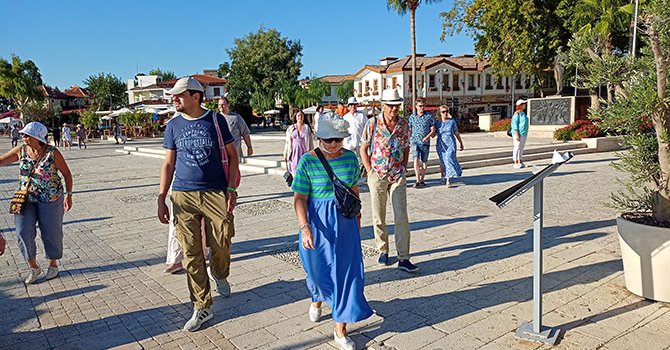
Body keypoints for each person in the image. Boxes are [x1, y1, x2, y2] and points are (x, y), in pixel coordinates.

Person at [157, 76, 239, 332]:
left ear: (196, 96)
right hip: (183, 194)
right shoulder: (173, 125)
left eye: (179, 95)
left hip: (215, 192)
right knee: (191, 254)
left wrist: (232, 188)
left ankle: (219, 272)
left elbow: (233, 155)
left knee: (222, 242)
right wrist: (161, 197)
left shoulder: (215, 120)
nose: (174, 99)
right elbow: (168, 163)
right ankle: (202, 306)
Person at [292, 112, 373, 350]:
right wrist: (305, 227)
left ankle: (340, 328)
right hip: (316, 224)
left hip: (345, 223)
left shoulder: (349, 158)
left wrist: (357, 216)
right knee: (316, 272)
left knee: (347, 274)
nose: (334, 144)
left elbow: (353, 189)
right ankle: (317, 298)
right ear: (319, 139)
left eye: (338, 139)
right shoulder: (307, 161)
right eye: (329, 140)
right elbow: (299, 198)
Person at [0, 122, 73, 284]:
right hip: (26, 199)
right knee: (22, 232)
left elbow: (67, 174)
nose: (23, 137)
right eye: (23, 134)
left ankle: (53, 263)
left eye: (27, 135)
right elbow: (1, 161)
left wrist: (69, 195)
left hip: (51, 199)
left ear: (37, 138)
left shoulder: (52, 153)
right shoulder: (21, 150)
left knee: (51, 232)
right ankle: (33, 267)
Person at [360, 89, 419, 272]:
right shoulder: (372, 123)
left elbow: (407, 147)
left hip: (397, 175)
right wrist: (370, 171)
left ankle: (404, 257)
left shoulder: (404, 124)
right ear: (382, 105)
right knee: (379, 215)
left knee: (401, 216)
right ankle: (382, 249)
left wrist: (404, 167)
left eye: (397, 105)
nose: (394, 109)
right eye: (390, 105)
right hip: (377, 174)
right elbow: (363, 148)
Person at [408, 98, 436, 188]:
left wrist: (427, 137)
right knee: (416, 159)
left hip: (425, 142)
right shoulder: (412, 117)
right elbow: (409, 129)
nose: (422, 108)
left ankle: (422, 179)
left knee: (424, 161)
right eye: (420, 106)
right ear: (416, 106)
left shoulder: (429, 116)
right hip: (415, 141)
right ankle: (417, 180)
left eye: (423, 106)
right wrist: (408, 138)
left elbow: (433, 130)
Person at [434, 105, 464, 187]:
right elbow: (433, 134)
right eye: (443, 112)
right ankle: (443, 175)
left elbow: (456, 132)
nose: (445, 113)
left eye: (447, 111)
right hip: (441, 144)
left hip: (451, 143)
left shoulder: (452, 121)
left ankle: (448, 179)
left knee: (448, 159)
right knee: (442, 161)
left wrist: (461, 143)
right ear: (440, 113)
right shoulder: (437, 123)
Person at [283, 110, 314, 175]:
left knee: (303, 171)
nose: (300, 117)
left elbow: (310, 142)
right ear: (296, 117)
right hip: (293, 153)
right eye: (298, 115)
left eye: (301, 115)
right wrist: (285, 152)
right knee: (294, 172)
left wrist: (312, 153)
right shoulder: (291, 128)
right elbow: (287, 142)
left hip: (304, 152)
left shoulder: (306, 128)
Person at [511, 99, 529, 168]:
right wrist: (517, 134)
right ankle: (515, 161)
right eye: (523, 104)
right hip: (517, 133)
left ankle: (520, 160)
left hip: (523, 133)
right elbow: (514, 125)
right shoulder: (516, 114)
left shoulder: (523, 114)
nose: (524, 105)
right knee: (517, 147)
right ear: (519, 105)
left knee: (521, 147)